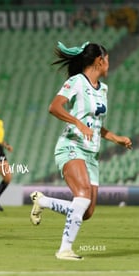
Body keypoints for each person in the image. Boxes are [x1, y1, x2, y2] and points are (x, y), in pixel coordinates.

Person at [30, 41, 132, 260]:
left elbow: (94, 124)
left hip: (91, 154)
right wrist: (77, 123)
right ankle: (64, 249)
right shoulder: (76, 82)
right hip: (71, 146)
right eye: (107, 61)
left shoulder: (103, 89)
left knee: (86, 211)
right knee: (83, 196)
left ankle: (44, 201)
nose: (108, 65)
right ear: (99, 60)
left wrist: (116, 138)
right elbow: (54, 107)